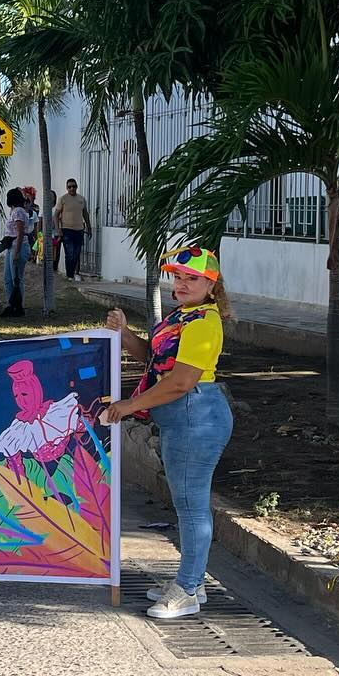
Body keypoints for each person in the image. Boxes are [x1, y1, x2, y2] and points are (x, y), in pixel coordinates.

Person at [100, 247, 232, 619]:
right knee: (188, 505)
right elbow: (157, 361)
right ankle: (193, 581)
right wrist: (125, 334)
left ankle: (187, 590)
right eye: (178, 277)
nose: (182, 284)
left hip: (196, 416)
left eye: (193, 279)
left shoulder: (203, 322)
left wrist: (130, 404)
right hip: (184, 417)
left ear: (211, 285)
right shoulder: (183, 315)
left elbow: (181, 382)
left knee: (191, 508)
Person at [53, 179, 92, 279]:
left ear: (76, 187)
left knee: (76, 254)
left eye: (74, 186)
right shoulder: (63, 199)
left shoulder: (81, 199)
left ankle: (72, 273)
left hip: (79, 230)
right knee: (69, 253)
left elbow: (85, 214)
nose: (72, 188)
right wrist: (58, 229)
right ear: (67, 188)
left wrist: (89, 227)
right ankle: (69, 276)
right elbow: (56, 215)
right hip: (67, 230)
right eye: (69, 187)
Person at [1, 187, 31, 316]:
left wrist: (17, 252)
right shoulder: (14, 211)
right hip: (11, 246)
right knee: (8, 278)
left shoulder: (18, 211)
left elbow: (20, 232)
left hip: (18, 246)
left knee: (16, 278)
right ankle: (11, 303)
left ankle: (18, 306)